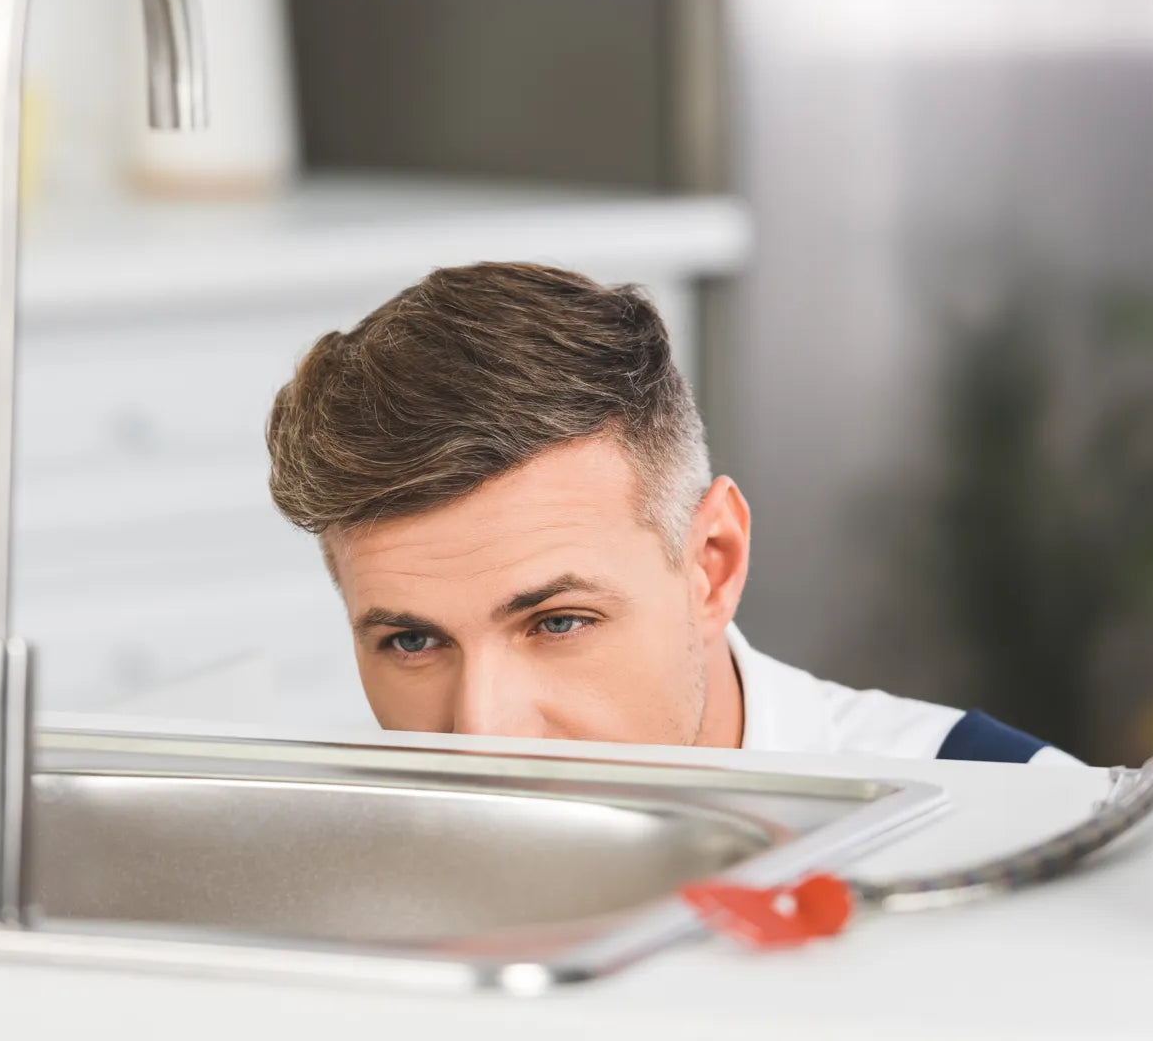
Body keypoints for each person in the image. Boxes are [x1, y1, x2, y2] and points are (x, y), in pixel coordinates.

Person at [266, 262, 1076, 764]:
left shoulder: (1017, 813)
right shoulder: (330, 864)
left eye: (558, 622)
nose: (483, 734)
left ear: (712, 565)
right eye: (412, 642)